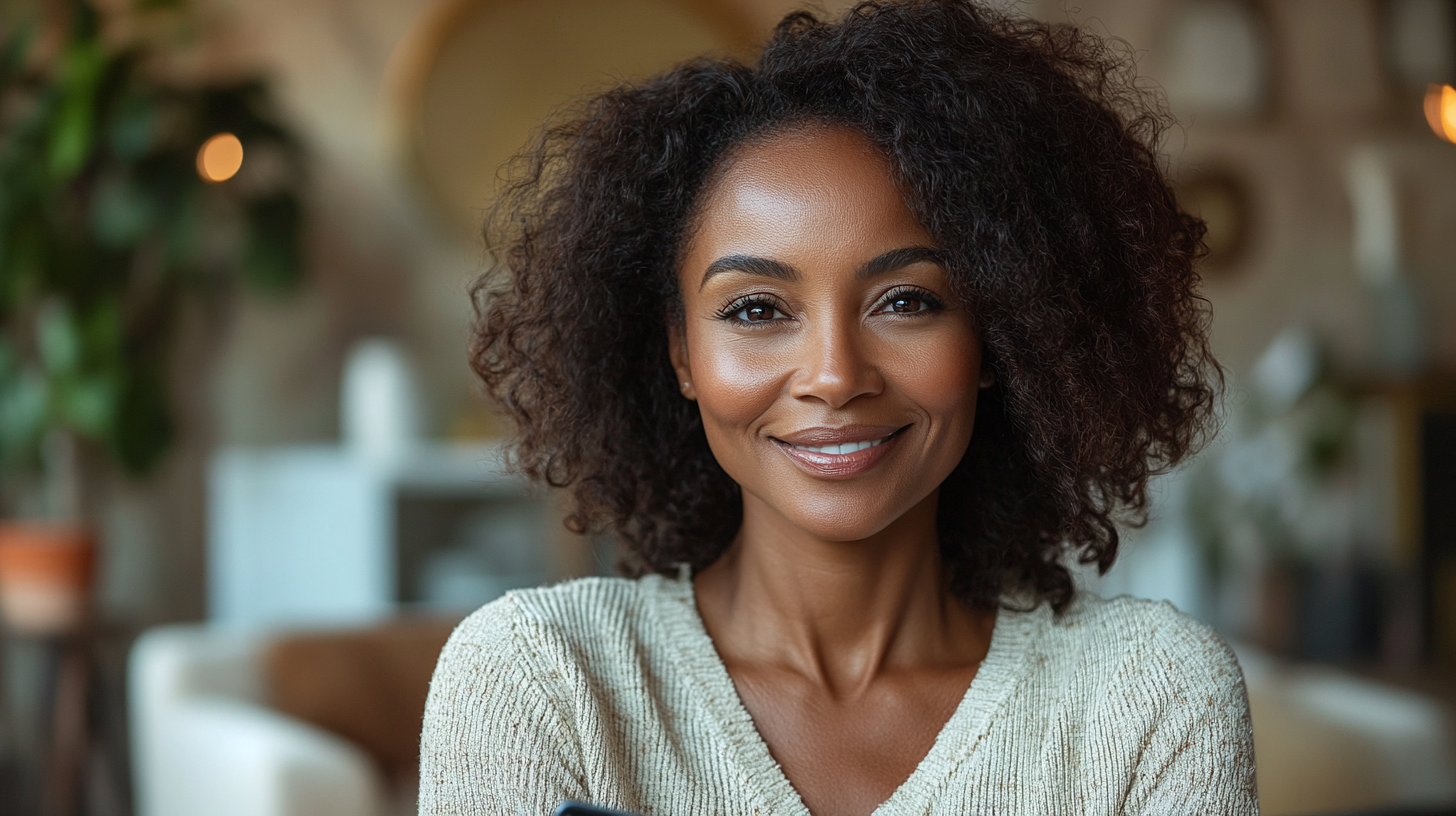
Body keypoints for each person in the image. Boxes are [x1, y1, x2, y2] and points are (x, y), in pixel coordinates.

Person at [419, 2, 1254, 814]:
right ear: (681, 353)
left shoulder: (1148, 697)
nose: (833, 375)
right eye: (756, 310)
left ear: (1000, 332)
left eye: (906, 301)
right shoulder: (540, 681)